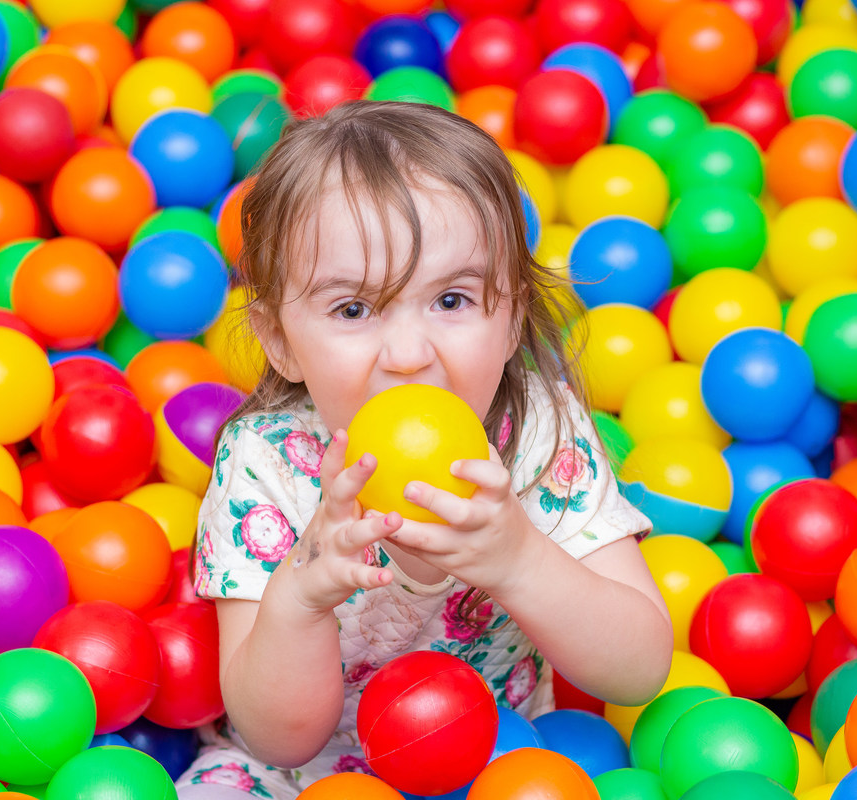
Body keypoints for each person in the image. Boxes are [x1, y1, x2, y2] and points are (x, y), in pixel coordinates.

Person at [179, 100, 673, 799]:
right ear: (279, 339)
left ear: (512, 318)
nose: (409, 356)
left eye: (452, 300)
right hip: (306, 781)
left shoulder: (541, 432)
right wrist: (302, 597)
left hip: (506, 765)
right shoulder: (265, 462)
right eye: (353, 310)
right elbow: (276, 737)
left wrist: (521, 561)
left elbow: (639, 669)